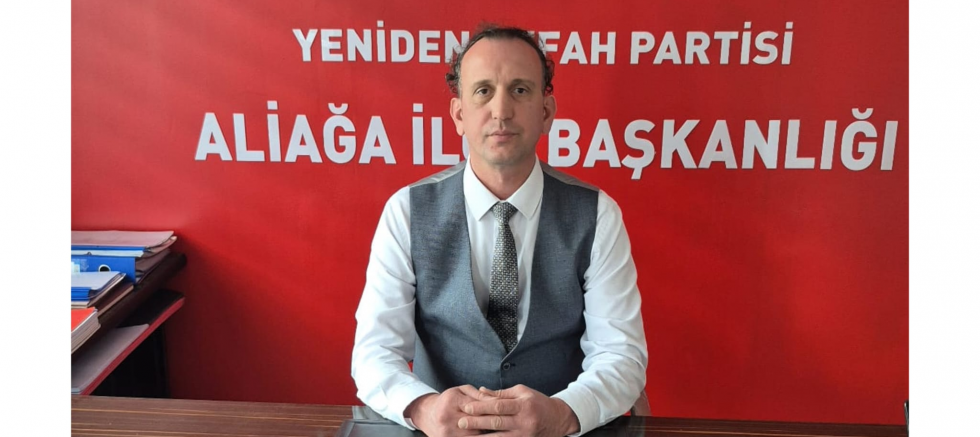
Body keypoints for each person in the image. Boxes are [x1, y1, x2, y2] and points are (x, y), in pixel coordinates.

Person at [351, 24, 648, 437]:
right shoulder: (406, 212)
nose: (501, 110)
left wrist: (562, 414)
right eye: (483, 91)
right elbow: (374, 352)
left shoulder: (598, 215)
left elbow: (621, 355)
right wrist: (424, 409)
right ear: (459, 115)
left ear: (546, 112)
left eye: (520, 90)